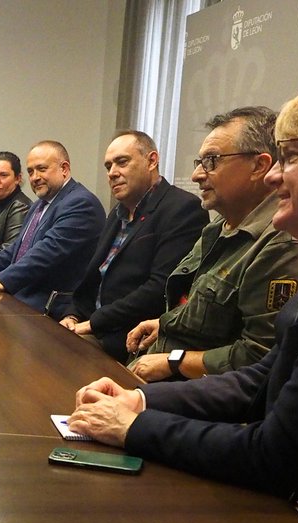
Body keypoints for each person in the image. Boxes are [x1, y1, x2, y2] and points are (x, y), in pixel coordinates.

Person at [69, 69, 298, 518]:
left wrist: (135, 428)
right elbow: (266, 376)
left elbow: (278, 456)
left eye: (291, 157)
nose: (275, 177)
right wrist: (141, 399)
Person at [123, 108, 298, 382]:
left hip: (202, 397)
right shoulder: (218, 227)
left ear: (259, 166)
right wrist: (163, 324)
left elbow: (260, 355)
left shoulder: (279, 243)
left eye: (211, 161)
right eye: (200, 161)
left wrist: (176, 361)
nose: (197, 174)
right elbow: (202, 307)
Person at [59, 131, 208, 360]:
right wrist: (73, 315)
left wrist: (92, 324)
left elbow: (159, 289)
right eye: (108, 166)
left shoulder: (182, 208)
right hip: (92, 325)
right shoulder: (116, 214)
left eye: (122, 162)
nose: (112, 173)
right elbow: (94, 278)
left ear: (151, 160)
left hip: (129, 338)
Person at [0, 140, 105, 314]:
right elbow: (16, 250)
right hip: (21, 296)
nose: (34, 177)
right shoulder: (40, 205)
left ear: (64, 169)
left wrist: (1, 281)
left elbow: (45, 253)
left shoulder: (80, 203)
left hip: (50, 307)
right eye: (31, 171)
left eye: (42, 169)